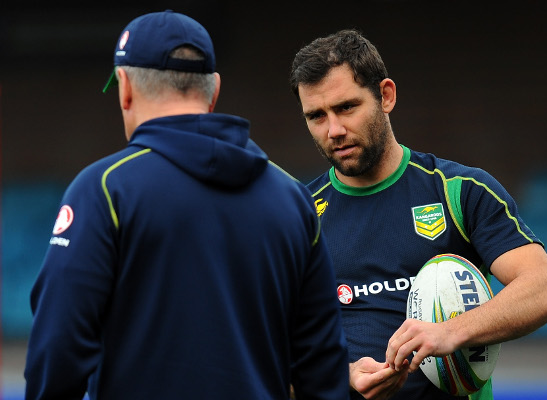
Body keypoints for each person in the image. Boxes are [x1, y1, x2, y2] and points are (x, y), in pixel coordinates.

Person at [24, 11, 350, 400]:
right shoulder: (293, 198)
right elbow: (323, 367)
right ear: (213, 89)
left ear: (124, 88)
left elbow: (58, 346)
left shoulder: (105, 189)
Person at [289, 29, 547, 400]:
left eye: (346, 107)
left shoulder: (460, 190)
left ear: (385, 96)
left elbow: (546, 289)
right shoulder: (298, 216)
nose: (334, 130)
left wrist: (449, 331)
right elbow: (266, 356)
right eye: (316, 116)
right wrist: (340, 375)